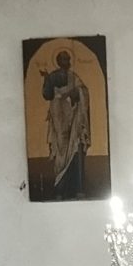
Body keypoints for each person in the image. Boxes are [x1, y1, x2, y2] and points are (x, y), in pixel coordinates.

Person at [43, 50, 91, 199]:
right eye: (64, 59)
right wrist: (47, 81)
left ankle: (77, 190)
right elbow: (47, 95)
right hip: (59, 117)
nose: (67, 62)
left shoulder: (73, 77)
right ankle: (60, 190)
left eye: (68, 59)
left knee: (76, 148)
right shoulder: (52, 77)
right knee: (60, 149)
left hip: (73, 118)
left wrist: (74, 92)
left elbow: (83, 91)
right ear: (58, 61)